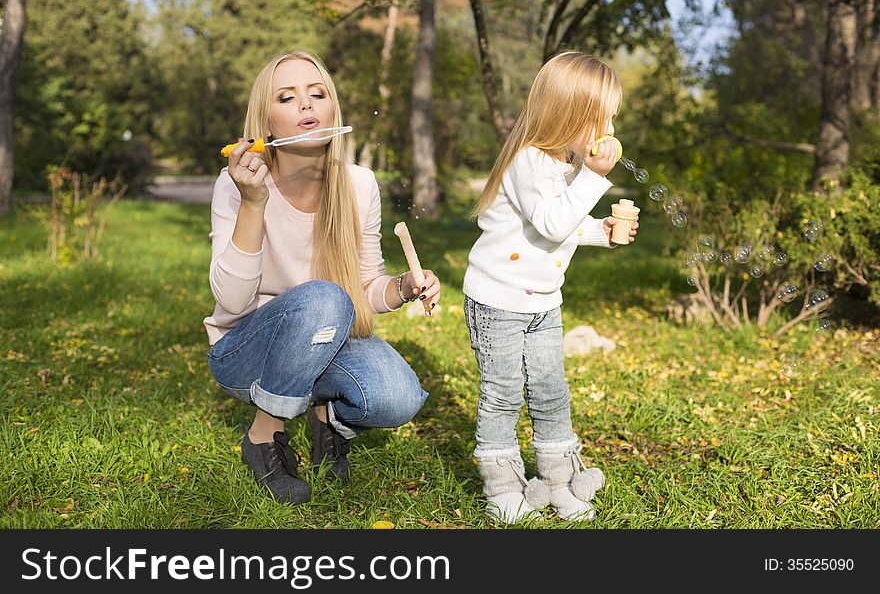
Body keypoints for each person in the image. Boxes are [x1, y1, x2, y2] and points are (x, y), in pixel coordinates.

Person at [203, 50, 441, 505]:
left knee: (397, 397)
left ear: (333, 109)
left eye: (318, 94)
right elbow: (232, 302)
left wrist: (405, 287)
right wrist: (253, 203)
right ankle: (264, 435)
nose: (307, 105)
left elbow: (366, 287)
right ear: (266, 124)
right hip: (245, 353)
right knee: (324, 299)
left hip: (326, 335)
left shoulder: (359, 184)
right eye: (288, 97)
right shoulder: (236, 183)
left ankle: (328, 420)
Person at [462, 51, 639, 523]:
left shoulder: (564, 166)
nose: (609, 131)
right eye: (602, 119)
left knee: (550, 389)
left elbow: (557, 228)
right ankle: (503, 484)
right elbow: (552, 219)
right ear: (569, 114)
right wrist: (595, 177)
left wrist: (601, 230)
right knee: (503, 392)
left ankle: (559, 480)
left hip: (543, 301)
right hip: (497, 299)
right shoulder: (528, 161)